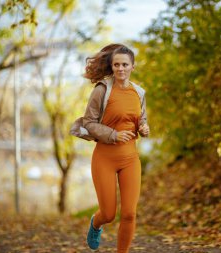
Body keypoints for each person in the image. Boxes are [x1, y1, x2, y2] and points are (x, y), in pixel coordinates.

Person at [81, 43, 149, 252]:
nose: (120, 68)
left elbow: (141, 119)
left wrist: (144, 128)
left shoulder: (139, 93)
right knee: (109, 214)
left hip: (130, 158)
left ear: (132, 67)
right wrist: (114, 134)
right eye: (117, 64)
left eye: (125, 65)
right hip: (105, 158)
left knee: (129, 213)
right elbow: (88, 122)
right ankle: (96, 223)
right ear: (112, 66)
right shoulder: (102, 90)